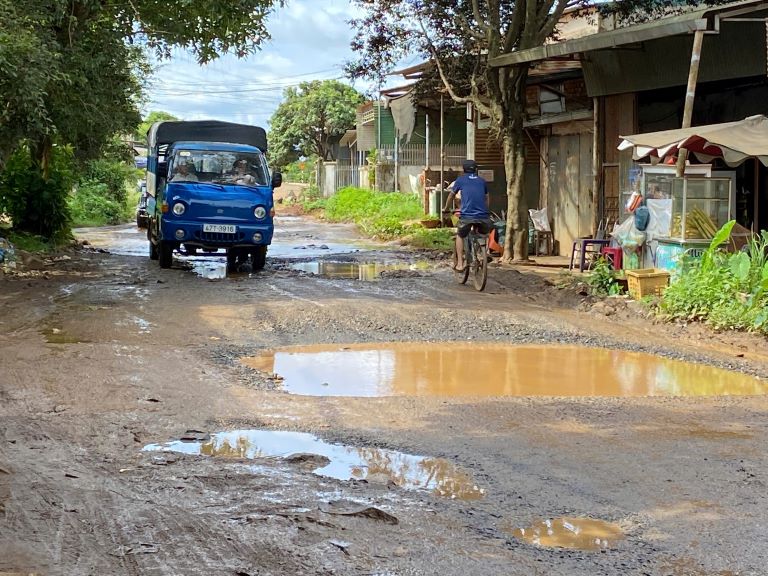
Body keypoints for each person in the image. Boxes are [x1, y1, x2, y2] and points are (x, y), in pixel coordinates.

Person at [442, 159, 491, 271]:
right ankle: (483, 253)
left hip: (467, 216)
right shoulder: (482, 181)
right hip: (483, 216)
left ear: (463, 170)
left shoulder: (460, 180)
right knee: (484, 233)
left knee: (460, 235)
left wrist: (446, 208)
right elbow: (487, 197)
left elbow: (451, 196)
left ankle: (460, 263)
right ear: (476, 169)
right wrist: (486, 210)